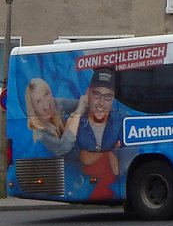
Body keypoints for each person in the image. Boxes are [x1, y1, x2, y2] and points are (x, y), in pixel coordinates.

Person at [75, 67, 124, 198]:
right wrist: (110, 152)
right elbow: (80, 159)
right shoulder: (77, 123)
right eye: (97, 95)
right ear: (88, 95)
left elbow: (118, 168)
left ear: (113, 100)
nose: (101, 103)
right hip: (81, 187)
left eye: (108, 97)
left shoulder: (121, 123)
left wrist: (91, 155)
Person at [25, 77, 83, 157]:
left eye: (46, 94)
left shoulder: (57, 104)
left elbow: (82, 105)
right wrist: (76, 116)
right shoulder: (40, 135)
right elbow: (62, 148)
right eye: (38, 101)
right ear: (33, 107)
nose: (46, 103)